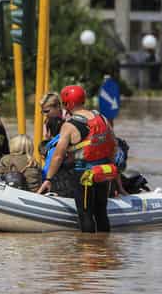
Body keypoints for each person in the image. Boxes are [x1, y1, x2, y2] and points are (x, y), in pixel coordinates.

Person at [37, 85, 117, 233]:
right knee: (101, 213)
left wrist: (48, 179)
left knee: (85, 215)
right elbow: (113, 145)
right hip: (104, 172)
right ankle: (105, 251)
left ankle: (87, 251)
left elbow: (58, 156)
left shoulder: (69, 125)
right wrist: (110, 167)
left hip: (83, 175)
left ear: (68, 103)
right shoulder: (102, 117)